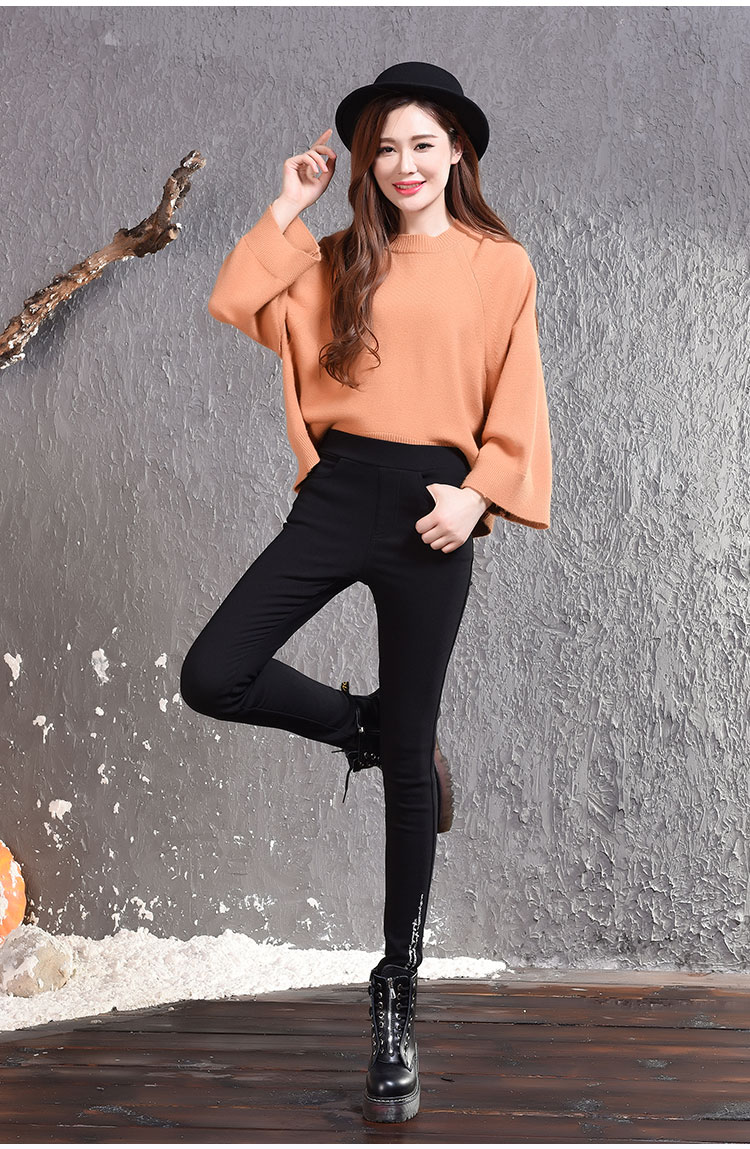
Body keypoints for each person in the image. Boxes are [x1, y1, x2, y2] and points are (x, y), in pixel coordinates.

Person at [179, 61, 552, 1125]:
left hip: (435, 508)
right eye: (384, 148)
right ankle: (373, 730)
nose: (403, 164)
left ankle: (396, 995)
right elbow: (237, 299)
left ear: (457, 151)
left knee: (408, 774)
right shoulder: (337, 257)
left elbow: (518, 395)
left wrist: (479, 497)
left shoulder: (499, 263)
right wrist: (288, 207)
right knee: (215, 672)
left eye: (422, 144)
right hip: (341, 491)